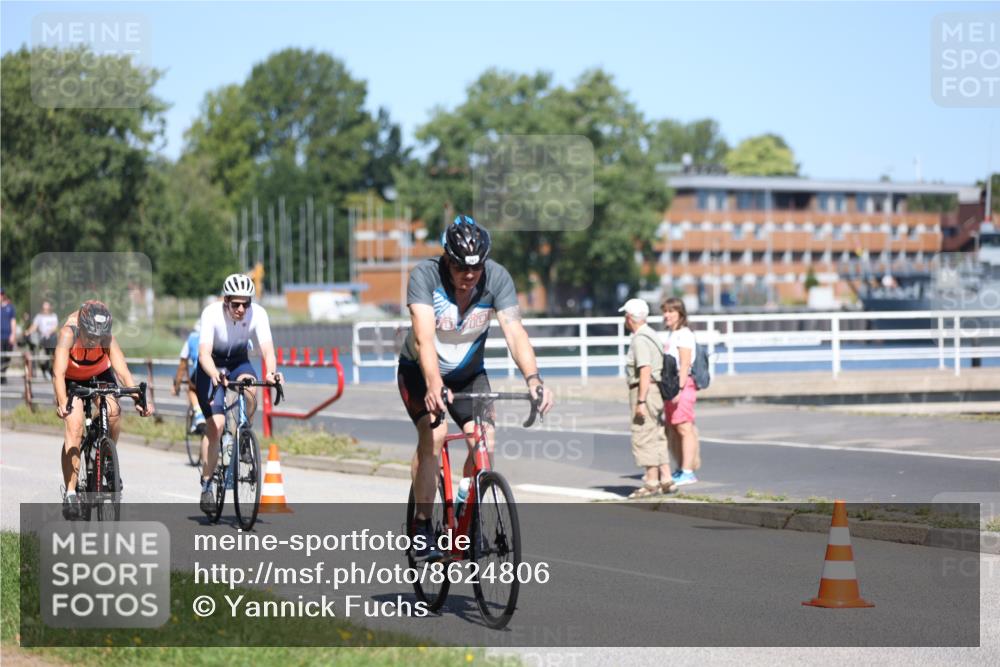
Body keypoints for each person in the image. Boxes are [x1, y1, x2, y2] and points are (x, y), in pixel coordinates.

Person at [399, 215, 554, 561]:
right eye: (460, 268)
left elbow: (515, 334)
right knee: (435, 438)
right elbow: (424, 339)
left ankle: (467, 515)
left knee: (485, 441)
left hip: (469, 374)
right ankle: (422, 525)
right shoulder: (425, 276)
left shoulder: (497, 278)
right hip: (421, 371)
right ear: (447, 260)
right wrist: (434, 384)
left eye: (476, 268)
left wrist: (534, 379)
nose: (468, 276)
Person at [52, 300, 155, 518]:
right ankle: (71, 492)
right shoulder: (68, 334)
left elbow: (123, 372)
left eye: (99, 337)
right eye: (90, 336)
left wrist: (140, 399)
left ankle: (107, 457)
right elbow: (58, 374)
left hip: (99, 374)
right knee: (75, 424)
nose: (94, 341)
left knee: (114, 410)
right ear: (81, 327)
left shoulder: (106, 338)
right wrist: (63, 402)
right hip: (72, 378)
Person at [195, 274, 282, 513]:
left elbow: (268, 351)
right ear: (226, 301)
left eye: (246, 303)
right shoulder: (211, 313)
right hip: (211, 364)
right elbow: (203, 354)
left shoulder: (259, 314)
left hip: (238, 362)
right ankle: (207, 485)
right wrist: (214, 374)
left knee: (251, 385)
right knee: (218, 426)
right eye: (236, 304)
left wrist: (273, 373)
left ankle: (244, 433)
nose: (241, 309)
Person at [621, 298, 676, 498]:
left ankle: (651, 481)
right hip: (656, 391)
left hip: (645, 390)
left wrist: (641, 401)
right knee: (657, 434)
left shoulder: (640, 339)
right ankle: (666, 479)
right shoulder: (652, 335)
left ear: (629, 318)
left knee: (643, 433)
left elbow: (645, 370)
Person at [661, 297, 701, 486]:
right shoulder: (672, 334)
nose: (666, 315)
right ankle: (681, 468)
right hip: (672, 384)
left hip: (682, 384)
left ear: (680, 314)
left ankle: (687, 471)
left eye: (671, 311)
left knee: (685, 428)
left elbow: (685, 363)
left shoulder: (684, 334)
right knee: (675, 428)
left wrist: (680, 388)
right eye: (665, 311)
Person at [172, 320, 206, 434]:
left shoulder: (192, 338)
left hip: (200, 371)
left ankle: (199, 414)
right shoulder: (214, 334)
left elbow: (182, 365)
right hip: (220, 370)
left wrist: (177, 385)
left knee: (192, 388)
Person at [25, 300, 59, 378]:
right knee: (43, 357)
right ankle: (45, 371)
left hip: (52, 339)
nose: (45, 310)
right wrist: (28, 332)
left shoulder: (53, 316)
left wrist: (49, 332)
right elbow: (34, 326)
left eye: (47, 308)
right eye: (44, 308)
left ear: (49, 308)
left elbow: (55, 327)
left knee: (54, 356)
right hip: (43, 340)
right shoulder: (39, 316)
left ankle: (52, 371)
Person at [0, 289, 16, 384]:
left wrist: (13, 334)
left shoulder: (10, 308)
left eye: (1, 294)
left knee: (7, 357)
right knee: (1, 357)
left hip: (8, 336)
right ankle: (1, 375)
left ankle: (3, 373)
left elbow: (13, 321)